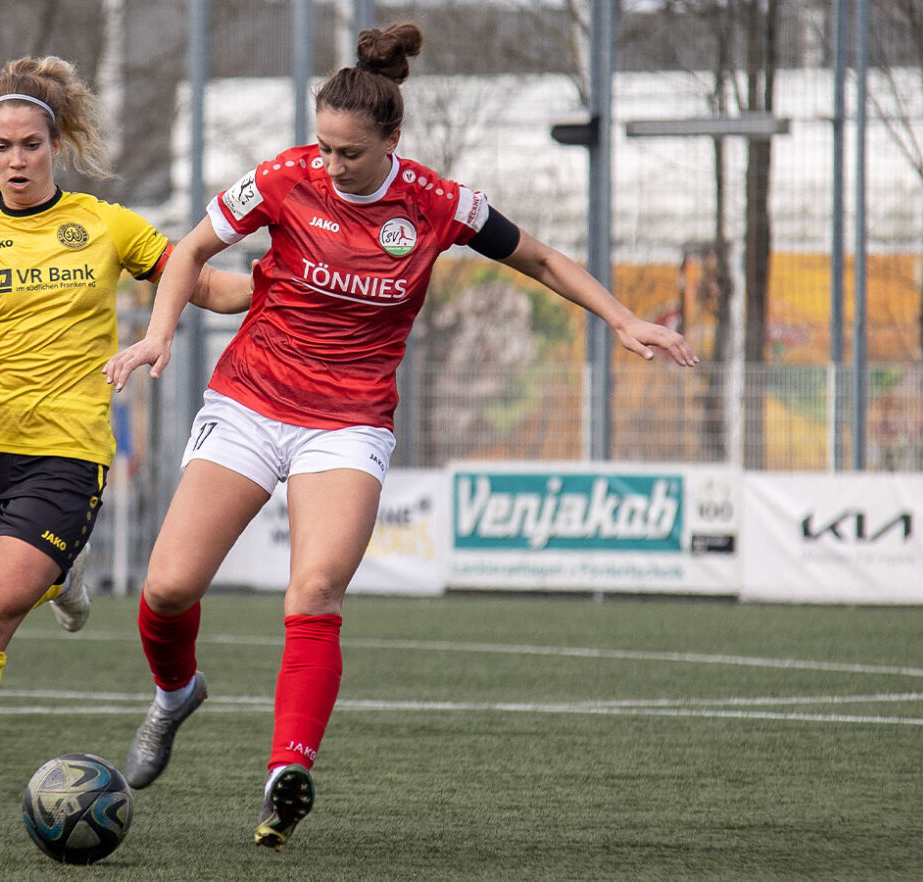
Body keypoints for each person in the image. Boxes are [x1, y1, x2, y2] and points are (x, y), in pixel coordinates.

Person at [102, 23, 698, 852]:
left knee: (313, 590)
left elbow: (544, 260)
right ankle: (175, 693)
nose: (330, 164)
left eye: (348, 152)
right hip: (250, 400)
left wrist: (624, 319)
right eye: (322, 147)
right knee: (168, 589)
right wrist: (161, 333)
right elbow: (195, 247)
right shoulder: (282, 179)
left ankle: (285, 773)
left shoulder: (437, 202)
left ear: (391, 141)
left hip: (347, 422)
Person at [0, 55, 251, 844]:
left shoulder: (107, 225)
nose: (16, 159)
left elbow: (206, 286)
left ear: (54, 145)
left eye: (30, 145)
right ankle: (57, 577)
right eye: (1, 147)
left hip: (66, 455)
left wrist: (294, 275)